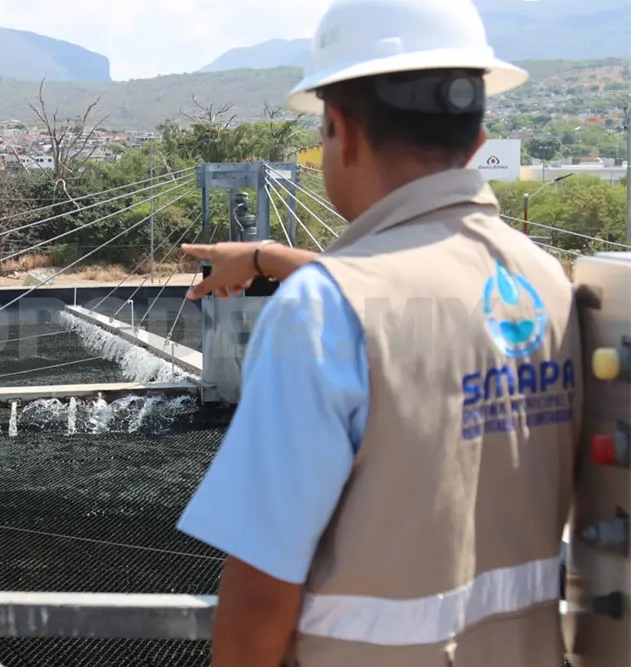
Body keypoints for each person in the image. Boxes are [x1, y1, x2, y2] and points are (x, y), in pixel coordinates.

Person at [175, 1, 583, 666]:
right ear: (476, 141)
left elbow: (258, 597)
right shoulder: (546, 283)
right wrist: (263, 256)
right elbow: (416, 297)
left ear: (342, 129)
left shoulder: (318, 312)